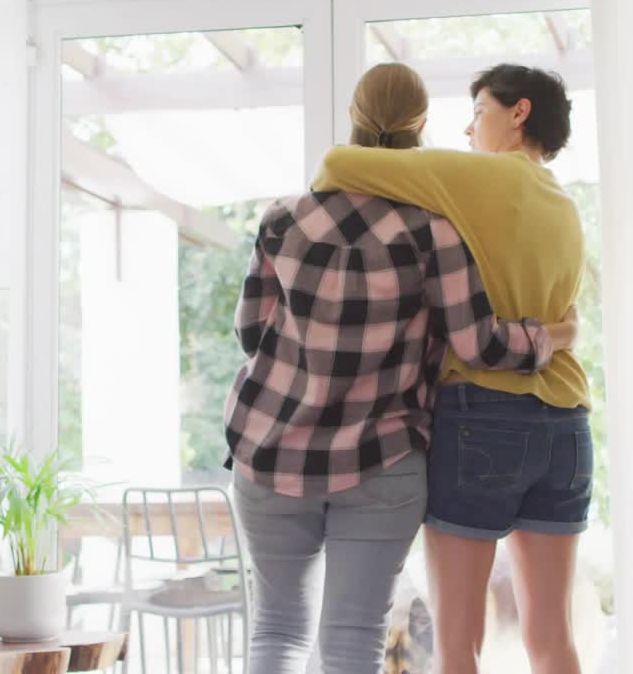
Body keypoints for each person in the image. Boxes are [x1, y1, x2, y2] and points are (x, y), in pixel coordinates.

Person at [224, 62, 576, 674]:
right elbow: (478, 344)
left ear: (357, 117)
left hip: (270, 450)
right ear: (419, 127)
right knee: (352, 639)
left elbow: (251, 332)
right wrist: (551, 337)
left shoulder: (283, 217)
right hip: (380, 459)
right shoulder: (433, 230)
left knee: (276, 631)